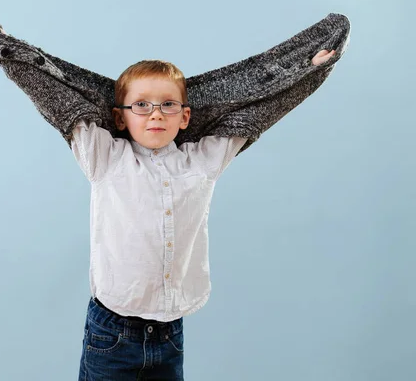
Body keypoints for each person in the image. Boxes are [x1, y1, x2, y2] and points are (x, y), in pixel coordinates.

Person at [73, 51, 334, 380]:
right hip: (112, 331)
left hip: (170, 332)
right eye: (141, 104)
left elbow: (258, 111)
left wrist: (306, 67)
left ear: (184, 117)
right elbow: (65, 99)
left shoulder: (202, 162)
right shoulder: (105, 159)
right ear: (120, 118)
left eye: (168, 104)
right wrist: (10, 51)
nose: (155, 114)